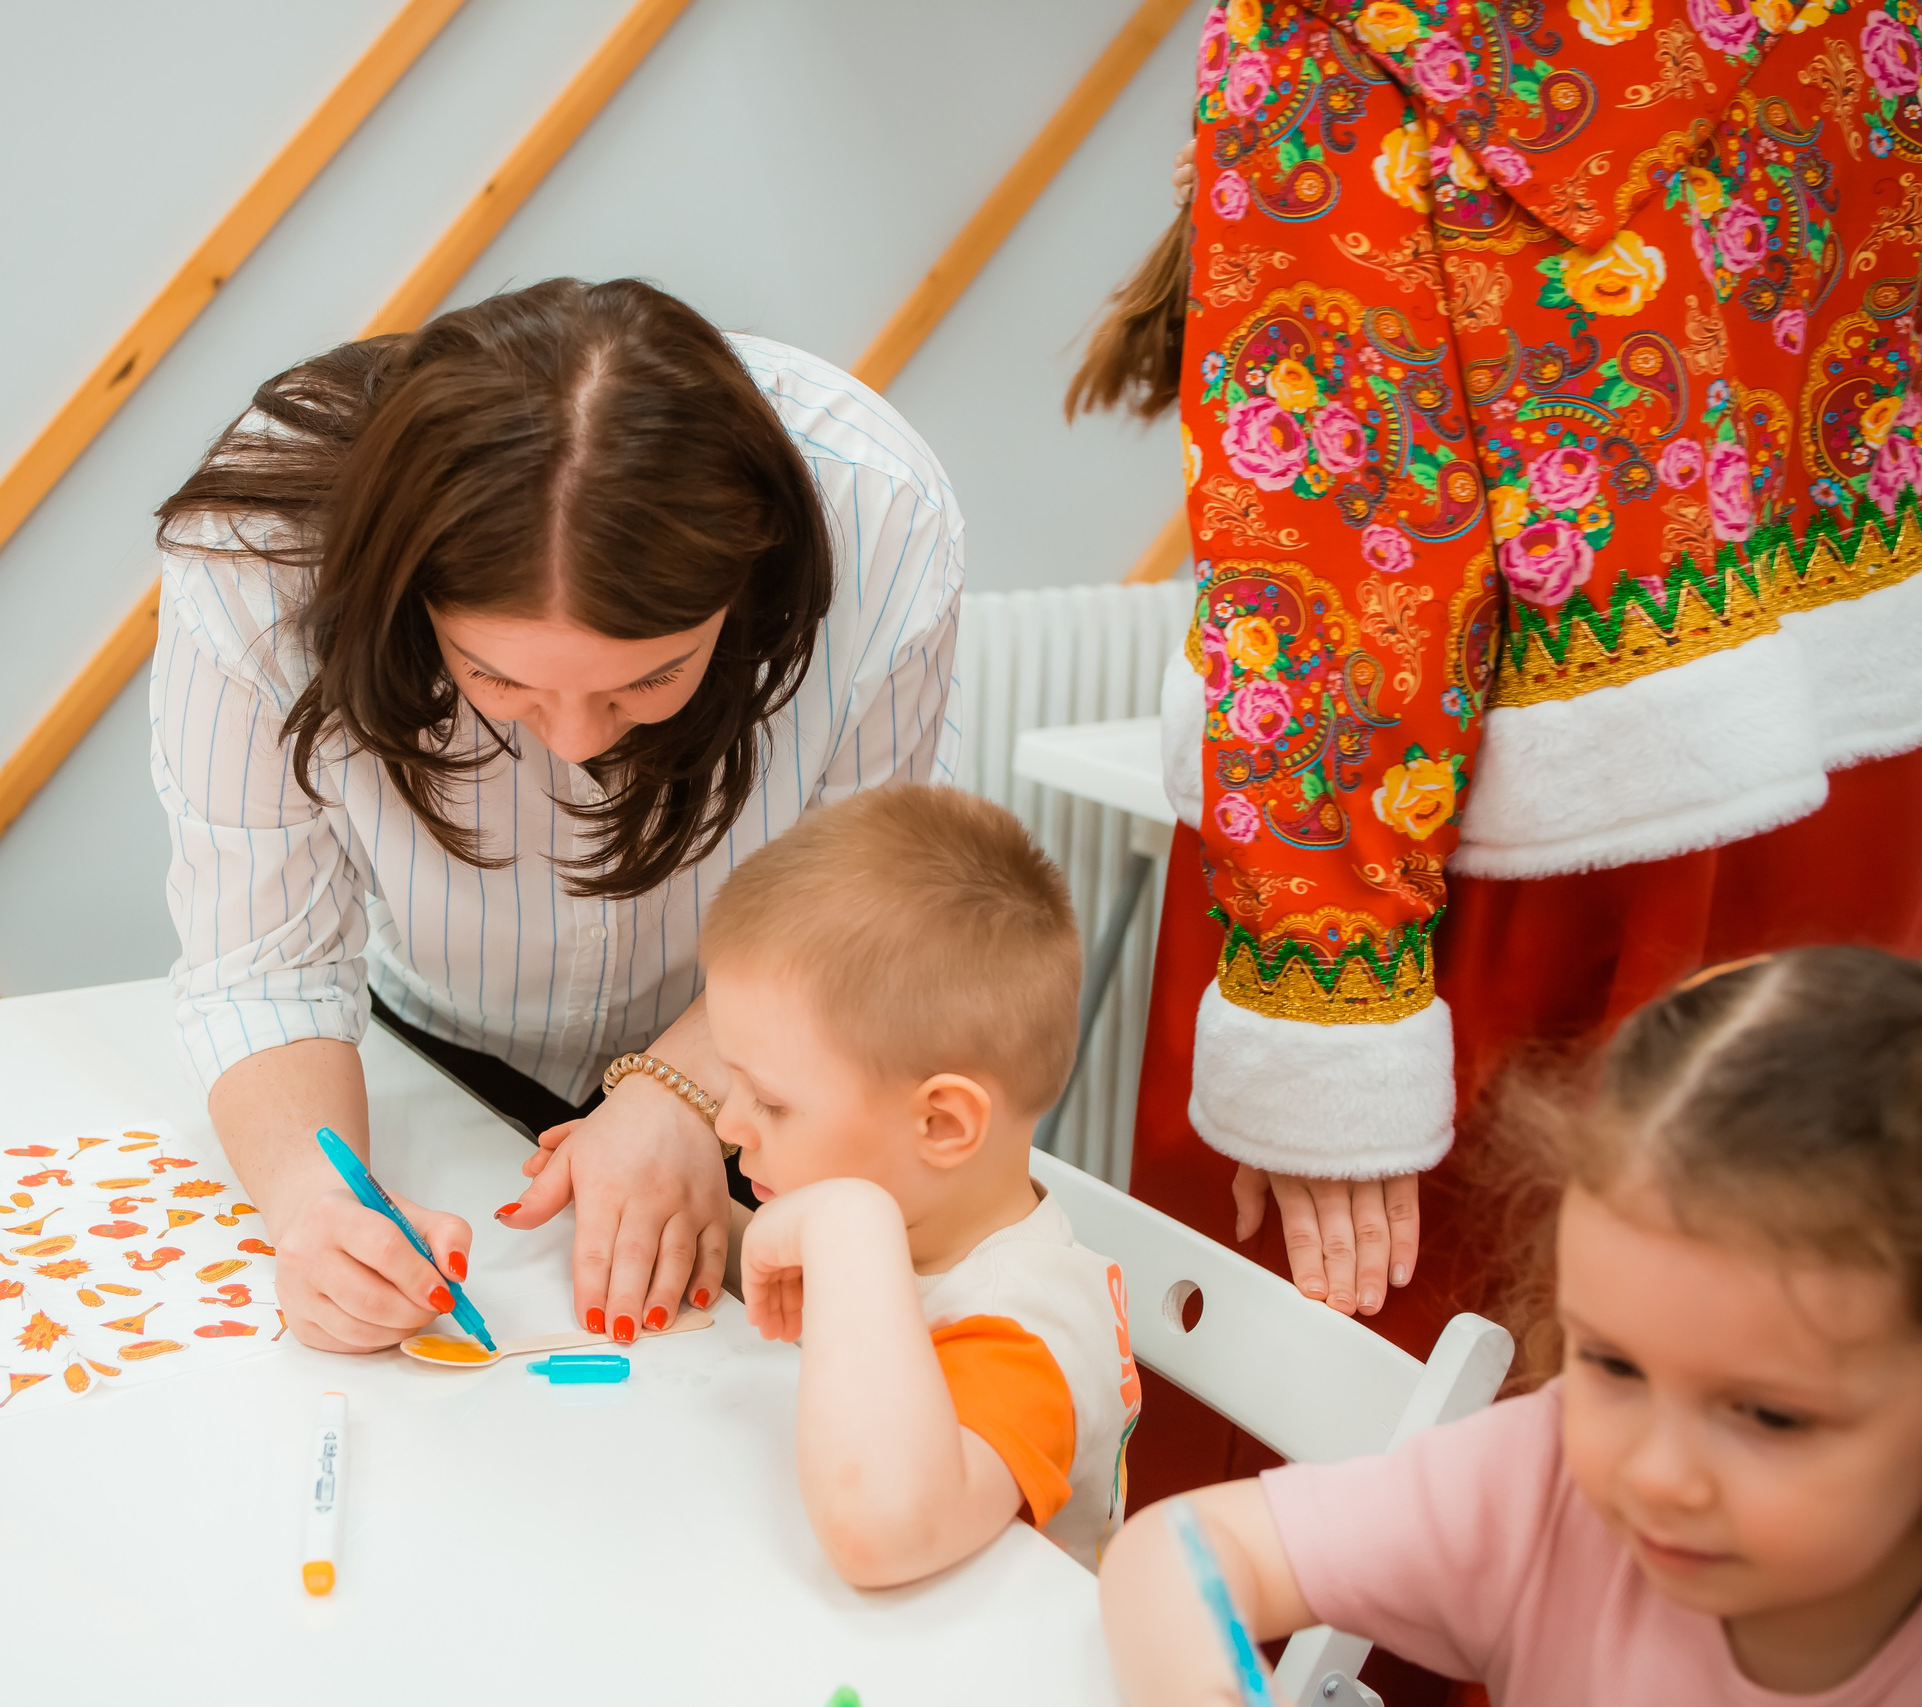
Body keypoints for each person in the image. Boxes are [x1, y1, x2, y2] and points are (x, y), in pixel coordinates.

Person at [1067, 0, 1922, 1571]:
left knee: (1370, 1493)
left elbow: (1333, 491)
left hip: (1453, 835)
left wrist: (1326, 990)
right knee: (1785, 1425)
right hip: (1842, 789)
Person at [151, 278, 961, 1355]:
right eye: (498, 679)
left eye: (649, 678)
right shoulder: (259, 551)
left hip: (764, 1062)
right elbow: (265, 964)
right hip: (437, 1059)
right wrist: (315, 1209)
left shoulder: (878, 511)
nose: (578, 740)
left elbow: (854, 894)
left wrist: (679, 1088)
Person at [1098, 946, 1922, 1705]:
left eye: (1770, 1415)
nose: (1660, 1475)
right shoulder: (1544, 1478)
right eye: (1613, 1365)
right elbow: (1179, 1551)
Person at [705, 784, 1140, 1583]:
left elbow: (883, 1532)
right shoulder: (926, 1218)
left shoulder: (1026, 1332)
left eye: (769, 1099)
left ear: (941, 1124)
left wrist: (844, 1222)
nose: (731, 1123)